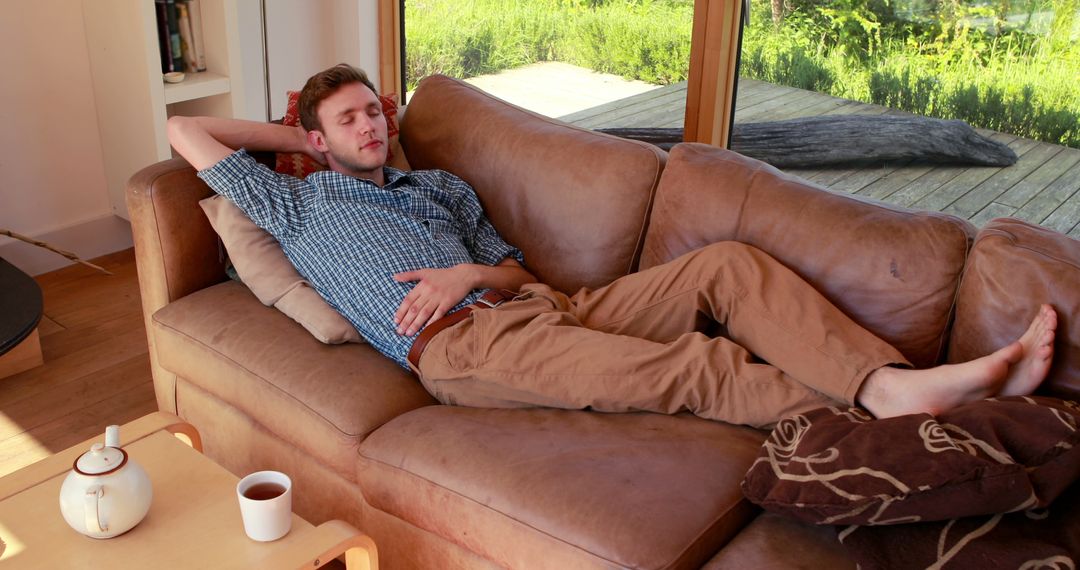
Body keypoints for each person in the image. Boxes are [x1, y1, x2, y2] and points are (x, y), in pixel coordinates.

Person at [167, 63, 1058, 428]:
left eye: (377, 108)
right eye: (351, 117)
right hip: (466, 349)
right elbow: (183, 129)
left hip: (533, 304)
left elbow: (519, 272)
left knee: (727, 265)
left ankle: (891, 380)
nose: (376, 121)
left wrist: (469, 270)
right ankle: (897, 405)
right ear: (316, 140)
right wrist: (298, 141)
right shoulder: (297, 207)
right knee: (695, 371)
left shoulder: (437, 187)